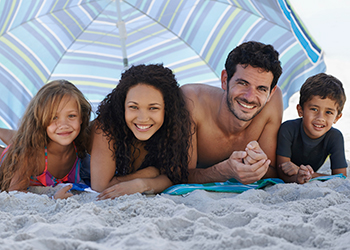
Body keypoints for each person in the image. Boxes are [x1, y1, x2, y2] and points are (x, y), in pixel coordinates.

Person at [181, 41, 283, 184]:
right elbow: (179, 175)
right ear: (224, 80)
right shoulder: (192, 101)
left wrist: (259, 165)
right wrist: (224, 171)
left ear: (271, 92)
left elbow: (274, 171)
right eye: (242, 83)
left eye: (261, 89)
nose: (249, 97)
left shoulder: (273, 103)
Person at [90, 64, 192, 199]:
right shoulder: (106, 127)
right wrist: (151, 173)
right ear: (122, 106)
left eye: (153, 108)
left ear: (167, 109)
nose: (143, 118)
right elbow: (101, 187)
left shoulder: (172, 127)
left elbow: (176, 176)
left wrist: (142, 184)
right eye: (133, 107)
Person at [0, 80, 92, 199]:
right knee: (19, 142)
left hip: (26, 143)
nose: (64, 124)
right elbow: (14, 194)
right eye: (54, 117)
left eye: (71, 116)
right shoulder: (31, 155)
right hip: (8, 160)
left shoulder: (79, 145)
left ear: (82, 117)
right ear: (40, 120)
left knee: (20, 138)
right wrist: (52, 198)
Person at [276, 73, 347, 183]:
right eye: (314, 109)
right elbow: (282, 172)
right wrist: (298, 177)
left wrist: (306, 173)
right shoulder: (288, 129)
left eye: (328, 112)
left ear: (337, 117)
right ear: (300, 110)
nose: (320, 118)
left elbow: (341, 177)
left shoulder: (335, 137)